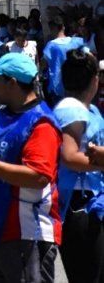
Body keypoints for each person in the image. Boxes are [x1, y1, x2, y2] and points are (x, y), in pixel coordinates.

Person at [0, 53, 62, 283]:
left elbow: (38, 176)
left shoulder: (41, 122)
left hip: (26, 233)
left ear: (12, 83)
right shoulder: (1, 115)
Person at [52, 49, 104, 281]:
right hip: (79, 205)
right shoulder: (71, 109)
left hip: (91, 201)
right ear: (94, 80)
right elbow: (70, 157)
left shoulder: (86, 109)